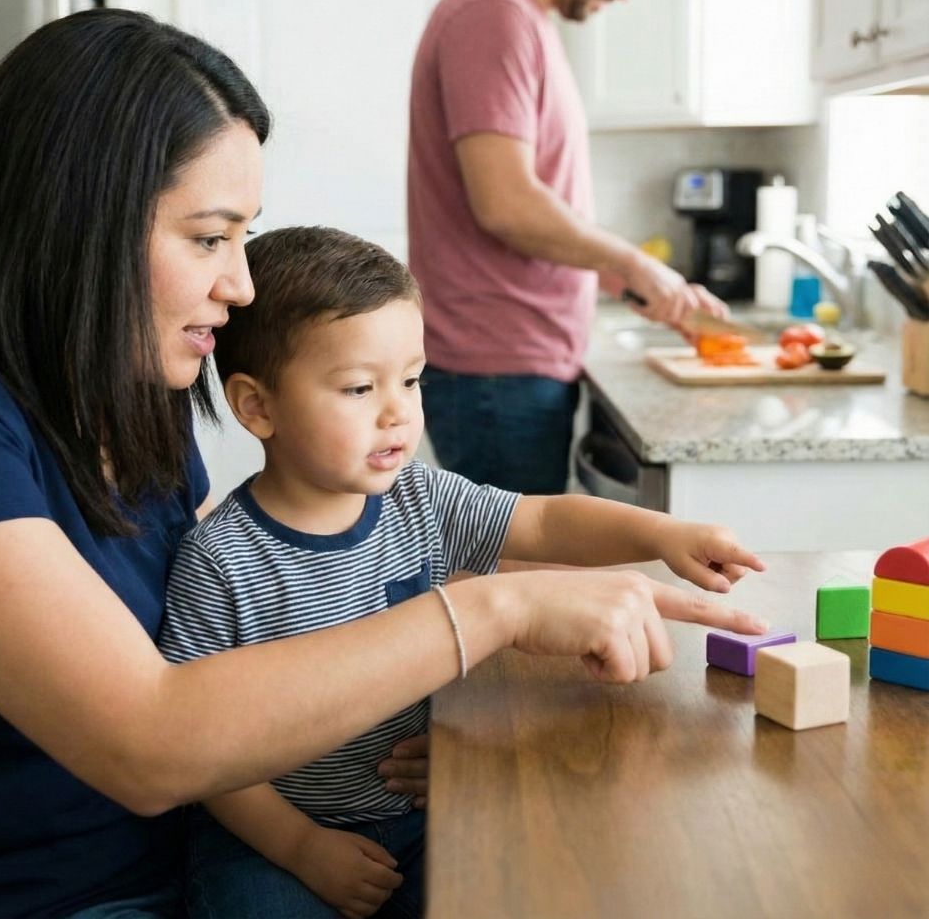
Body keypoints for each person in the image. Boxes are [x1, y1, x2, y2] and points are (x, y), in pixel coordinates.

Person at [0, 8, 766, 919]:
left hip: (183, 850)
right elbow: (149, 739)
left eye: (244, 236)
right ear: (74, 218)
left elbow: (246, 654)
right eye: (209, 238)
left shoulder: (121, 371)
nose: (240, 284)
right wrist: (499, 605)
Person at [159, 225, 766, 919]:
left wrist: (661, 533)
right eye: (359, 388)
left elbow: (543, 522)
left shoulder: (419, 498)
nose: (398, 412)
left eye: (412, 380)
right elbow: (204, 758)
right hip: (268, 835)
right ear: (257, 406)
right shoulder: (221, 562)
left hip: (410, 812)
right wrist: (302, 847)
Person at [407, 0, 727, 495]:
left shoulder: (520, 18)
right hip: (495, 373)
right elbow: (505, 202)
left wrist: (628, 281)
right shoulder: (492, 15)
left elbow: (528, 213)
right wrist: (639, 264)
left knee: (525, 581)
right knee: (519, 588)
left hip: (512, 368)